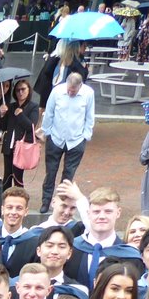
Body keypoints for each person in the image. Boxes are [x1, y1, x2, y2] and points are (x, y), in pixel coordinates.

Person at [38, 74, 95, 215]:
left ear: (80, 86)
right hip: (55, 138)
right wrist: (47, 132)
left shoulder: (88, 93)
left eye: (73, 91)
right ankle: (46, 201)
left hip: (76, 140)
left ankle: (62, 203)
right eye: (69, 90)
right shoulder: (57, 91)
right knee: (50, 172)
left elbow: (89, 115)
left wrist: (85, 136)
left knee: (68, 175)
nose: (70, 93)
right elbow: (49, 112)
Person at [0, 79, 40, 191]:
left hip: (21, 147)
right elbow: (3, 126)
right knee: (7, 174)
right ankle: (5, 198)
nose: (20, 92)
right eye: (18, 90)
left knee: (17, 176)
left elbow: (31, 126)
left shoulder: (33, 107)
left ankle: (19, 198)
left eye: (23, 89)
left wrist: (20, 115)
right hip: (9, 145)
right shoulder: (11, 106)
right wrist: (2, 115)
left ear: (28, 90)